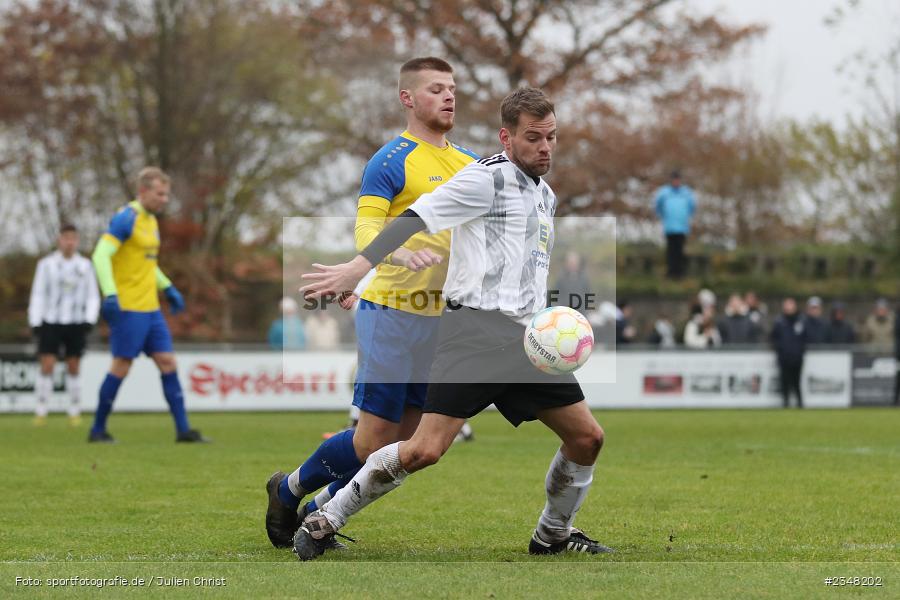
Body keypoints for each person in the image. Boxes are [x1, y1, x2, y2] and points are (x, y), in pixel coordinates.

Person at [291, 87, 612, 560]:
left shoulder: (545, 195)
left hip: (527, 341)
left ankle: (553, 535)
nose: (545, 147)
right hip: (474, 334)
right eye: (533, 137)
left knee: (587, 439)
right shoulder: (484, 179)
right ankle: (325, 519)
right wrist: (358, 269)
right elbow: (414, 218)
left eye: (551, 137)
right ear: (506, 137)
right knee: (424, 449)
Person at [264, 57, 480, 549]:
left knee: (408, 447)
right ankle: (289, 489)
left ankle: (318, 513)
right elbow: (366, 228)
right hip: (391, 312)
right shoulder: (390, 160)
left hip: (441, 322)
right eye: (435, 89)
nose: (448, 96)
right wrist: (396, 253)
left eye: (452, 88)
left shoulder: (472, 165)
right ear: (408, 98)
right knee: (370, 442)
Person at [88, 167, 208, 443]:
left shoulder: (151, 221)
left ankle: (183, 431)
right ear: (143, 191)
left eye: (167, 194)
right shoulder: (126, 218)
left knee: (167, 361)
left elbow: (147, 264)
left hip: (151, 308)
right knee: (121, 365)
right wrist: (110, 293)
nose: (165, 199)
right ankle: (97, 430)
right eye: (160, 194)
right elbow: (100, 255)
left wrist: (167, 287)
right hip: (128, 307)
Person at [27, 224, 100, 425]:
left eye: (73, 238)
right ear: (59, 240)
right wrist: (35, 320)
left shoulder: (85, 266)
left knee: (74, 365)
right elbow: (38, 294)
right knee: (47, 364)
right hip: (51, 321)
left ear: (77, 241)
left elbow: (93, 295)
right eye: (66, 238)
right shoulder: (46, 264)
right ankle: (41, 409)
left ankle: (74, 410)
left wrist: (90, 319)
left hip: (76, 323)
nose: (69, 242)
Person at [654, 170, 696, 279]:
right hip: (669, 226)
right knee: (671, 250)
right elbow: (658, 206)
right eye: (674, 179)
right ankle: (671, 273)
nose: (676, 181)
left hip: (682, 227)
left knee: (680, 250)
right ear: (671, 180)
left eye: (677, 179)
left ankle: (679, 273)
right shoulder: (664, 193)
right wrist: (663, 216)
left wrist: (685, 217)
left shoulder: (686, 193)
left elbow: (692, 207)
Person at [770, 298, 806, 408]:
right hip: (784, 357)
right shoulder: (779, 321)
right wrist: (780, 349)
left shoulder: (801, 321)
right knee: (784, 382)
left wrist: (800, 350)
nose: (789, 308)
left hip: (797, 357)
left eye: (791, 305)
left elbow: (805, 337)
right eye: (787, 305)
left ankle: (800, 404)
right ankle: (785, 404)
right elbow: (774, 337)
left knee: (797, 382)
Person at [553, 251, 591, 315]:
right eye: (571, 263)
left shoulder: (584, 278)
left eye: (574, 263)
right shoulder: (561, 278)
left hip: (580, 313)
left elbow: (588, 294)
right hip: (564, 312)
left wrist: (587, 310)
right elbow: (556, 295)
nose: (573, 265)